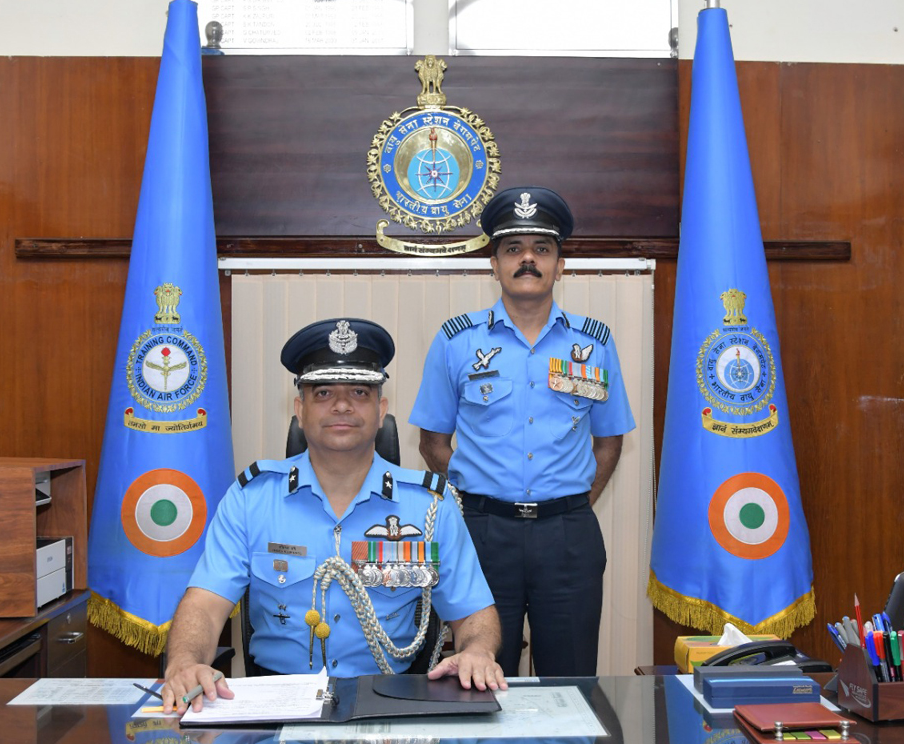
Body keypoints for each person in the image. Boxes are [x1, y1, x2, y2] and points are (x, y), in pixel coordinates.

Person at [162, 318, 507, 713]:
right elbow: (204, 605)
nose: (341, 405)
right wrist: (186, 661)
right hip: (276, 702)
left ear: (381, 411)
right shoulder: (251, 499)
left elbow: (475, 614)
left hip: (393, 701)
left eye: (359, 392)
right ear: (299, 410)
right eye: (323, 392)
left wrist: (478, 651)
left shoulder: (431, 505)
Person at [410, 186, 636, 677]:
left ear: (560, 265)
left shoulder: (593, 344)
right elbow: (432, 442)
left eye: (542, 249)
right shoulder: (456, 341)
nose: (528, 260)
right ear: (493, 264)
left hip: (568, 536)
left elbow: (609, 441)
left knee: (573, 680)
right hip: (483, 535)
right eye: (513, 249)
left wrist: (569, 502)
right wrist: (481, 497)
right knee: (479, 676)